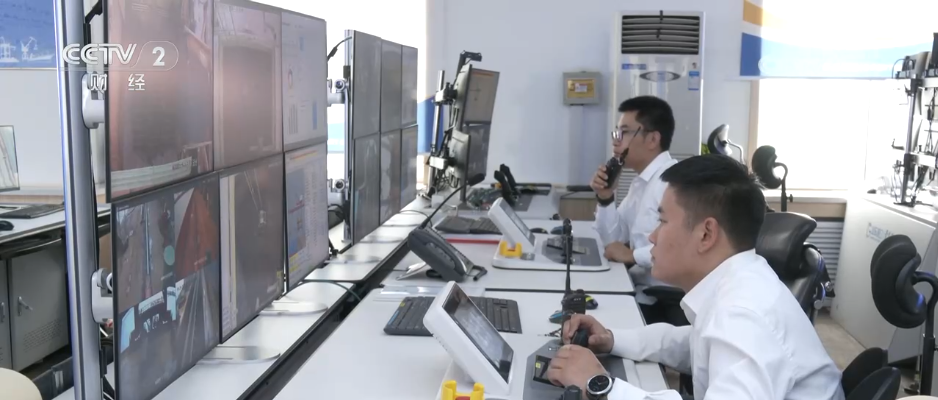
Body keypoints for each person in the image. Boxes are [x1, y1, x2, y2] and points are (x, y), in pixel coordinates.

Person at [551, 154, 844, 400]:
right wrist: (611, 339)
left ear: (706, 234)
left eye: (662, 221)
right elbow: (693, 343)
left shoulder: (743, 314)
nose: (652, 237)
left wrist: (600, 386)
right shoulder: (739, 282)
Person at [590, 96, 681, 324]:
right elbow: (613, 241)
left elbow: (679, 247)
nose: (616, 141)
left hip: (660, 302)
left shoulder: (674, 183)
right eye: (616, 133)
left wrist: (632, 255)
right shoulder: (641, 183)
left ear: (652, 139)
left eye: (624, 132)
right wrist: (605, 197)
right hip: (638, 289)